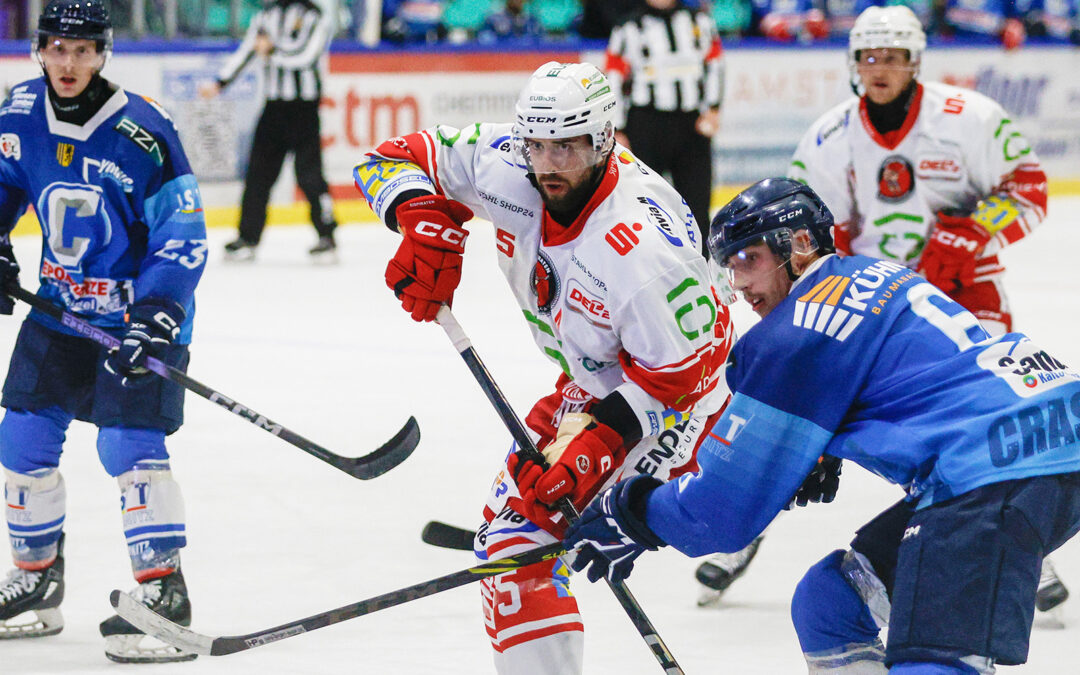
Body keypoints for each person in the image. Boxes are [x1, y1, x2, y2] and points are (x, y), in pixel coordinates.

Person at [563, 177, 1080, 674]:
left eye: (749, 259)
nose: (739, 283)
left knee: (933, 659)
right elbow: (900, 371)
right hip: (1052, 428)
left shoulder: (795, 335)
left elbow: (719, 516)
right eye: (729, 267)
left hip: (992, 469)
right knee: (831, 602)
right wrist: (820, 446)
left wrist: (630, 509)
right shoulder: (873, 272)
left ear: (801, 243)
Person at [354, 61, 734, 674]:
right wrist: (415, 218)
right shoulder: (508, 164)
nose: (549, 163)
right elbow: (388, 158)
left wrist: (597, 447)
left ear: (604, 139)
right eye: (538, 143)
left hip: (683, 402)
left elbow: (681, 377)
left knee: (514, 545)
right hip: (595, 378)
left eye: (567, 146)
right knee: (510, 536)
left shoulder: (641, 248)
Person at [788, 3, 1069, 615]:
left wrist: (972, 232)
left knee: (987, 418)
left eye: (891, 57)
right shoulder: (829, 136)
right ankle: (756, 514)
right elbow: (814, 234)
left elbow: (1028, 189)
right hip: (880, 310)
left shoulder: (970, 117)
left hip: (969, 295)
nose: (878, 68)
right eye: (868, 56)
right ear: (853, 62)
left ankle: (1024, 537)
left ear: (915, 61)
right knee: (839, 418)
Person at [0, 0, 206, 663]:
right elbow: (3, 183)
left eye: (83, 49)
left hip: (135, 320)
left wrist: (157, 313)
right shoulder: (17, 111)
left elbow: (183, 229)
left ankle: (164, 591)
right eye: (57, 48)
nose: (69, 62)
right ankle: (37, 579)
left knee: (127, 446)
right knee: (22, 436)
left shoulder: (145, 129)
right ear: (39, 50)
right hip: (60, 311)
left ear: (103, 53)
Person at [200, 0, 338, 260]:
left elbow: (308, 55)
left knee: (309, 175)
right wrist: (220, 82)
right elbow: (247, 50)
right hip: (274, 108)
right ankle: (247, 237)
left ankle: (327, 235)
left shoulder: (315, 16)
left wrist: (272, 49)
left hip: (304, 107)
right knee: (258, 174)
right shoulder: (265, 16)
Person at [605, 0, 725, 248]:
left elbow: (715, 64)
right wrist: (619, 128)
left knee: (697, 206)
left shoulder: (699, 21)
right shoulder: (628, 26)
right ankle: (649, 266)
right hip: (646, 124)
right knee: (643, 204)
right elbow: (614, 76)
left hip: (691, 125)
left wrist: (713, 109)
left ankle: (700, 268)